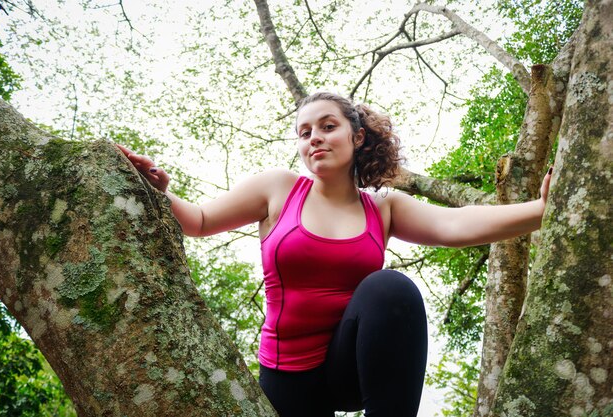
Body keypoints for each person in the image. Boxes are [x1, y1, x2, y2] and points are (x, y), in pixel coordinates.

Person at [117, 92, 552, 417]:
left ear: (357, 136)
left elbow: (457, 225)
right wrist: (158, 191)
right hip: (288, 376)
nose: (315, 139)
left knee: (390, 287)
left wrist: (543, 210)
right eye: (304, 133)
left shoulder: (382, 205)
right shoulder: (279, 188)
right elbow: (199, 221)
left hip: (350, 367)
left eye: (327, 126)